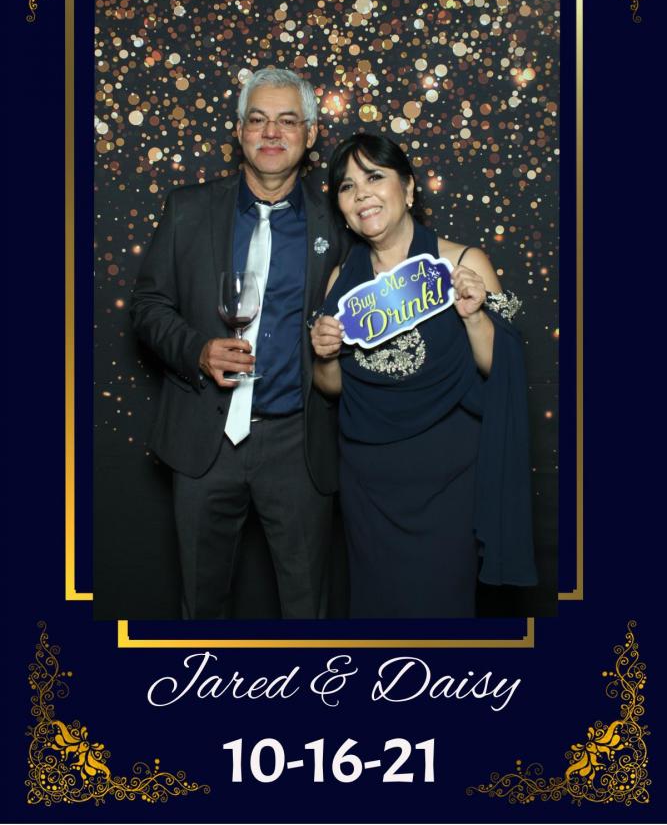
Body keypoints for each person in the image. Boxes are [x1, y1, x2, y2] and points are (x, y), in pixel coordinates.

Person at [130, 68, 347, 619]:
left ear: (311, 133)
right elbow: (149, 306)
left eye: (287, 121)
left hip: (298, 444)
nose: (271, 133)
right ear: (239, 130)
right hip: (205, 439)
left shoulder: (338, 222)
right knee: (201, 609)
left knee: (307, 610)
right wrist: (196, 351)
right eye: (258, 119)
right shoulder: (188, 209)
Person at [310, 132, 537, 618]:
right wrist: (325, 355)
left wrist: (474, 316)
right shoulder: (339, 282)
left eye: (374, 177)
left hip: (448, 486)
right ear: (342, 208)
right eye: (347, 187)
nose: (362, 194)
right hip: (368, 487)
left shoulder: (464, 262)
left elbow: (501, 368)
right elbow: (332, 389)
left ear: (409, 188)